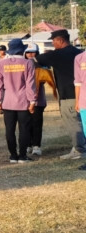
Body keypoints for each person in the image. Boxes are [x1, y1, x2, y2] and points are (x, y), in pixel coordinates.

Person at [35, 29, 85, 159]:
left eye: (53, 42)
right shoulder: (79, 52)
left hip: (68, 94)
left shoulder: (57, 55)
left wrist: (49, 53)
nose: (53, 44)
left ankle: (80, 150)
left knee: (73, 123)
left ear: (60, 40)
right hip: (82, 93)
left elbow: (39, 59)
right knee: (82, 122)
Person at [0, 38, 36, 163]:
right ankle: (22, 156)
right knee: (24, 129)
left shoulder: (1, 64)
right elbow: (30, 84)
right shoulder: (28, 63)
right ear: (22, 50)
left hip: (8, 101)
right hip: (23, 101)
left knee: (9, 130)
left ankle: (13, 155)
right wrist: (32, 101)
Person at [24, 44, 56, 157]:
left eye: (33, 52)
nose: (30, 54)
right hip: (24, 100)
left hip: (38, 100)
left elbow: (46, 79)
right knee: (26, 123)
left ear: (37, 53)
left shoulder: (43, 65)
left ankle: (36, 145)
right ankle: (27, 144)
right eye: (28, 52)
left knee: (37, 123)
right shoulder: (22, 64)